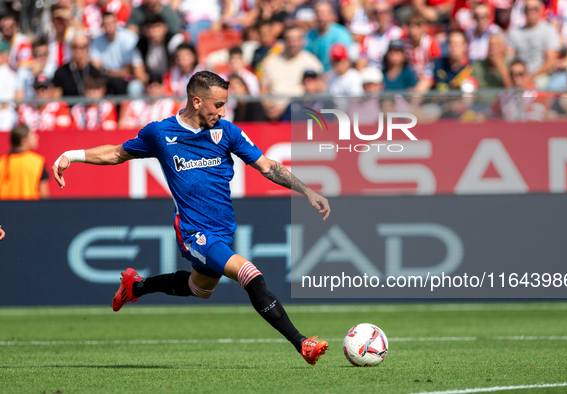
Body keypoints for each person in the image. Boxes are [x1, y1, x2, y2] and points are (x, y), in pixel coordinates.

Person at [52, 70, 331, 366]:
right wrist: (72, 154)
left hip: (223, 229)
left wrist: (306, 191)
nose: (222, 111)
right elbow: (116, 154)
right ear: (197, 101)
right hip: (194, 232)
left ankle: (135, 287)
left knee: (200, 290)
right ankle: (303, 343)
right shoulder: (160, 134)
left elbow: (267, 166)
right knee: (251, 275)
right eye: (218, 104)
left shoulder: (227, 132)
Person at [260, 26, 323, 120]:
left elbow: (319, 90)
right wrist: (269, 108)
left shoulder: (312, 63)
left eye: (296, 39)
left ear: (302, 41)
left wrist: (284, 108)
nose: (293, 43)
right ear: (284, 41)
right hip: (272, 114)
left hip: (300, 114)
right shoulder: (271, 61)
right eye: (289, 39)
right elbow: (263, 90)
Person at [507, 0, 561, 90]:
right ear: (524, 11)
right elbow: (510, 58)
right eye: (528, 9)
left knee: (542, 85)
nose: (531, 12)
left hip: (541, 75)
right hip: (519, 75)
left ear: (540, 10)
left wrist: (531, 77)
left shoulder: (549, 31)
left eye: (534, 9)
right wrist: (519, 75)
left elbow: (550, 62)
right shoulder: (515, 32)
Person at [90, 12, 147, 96]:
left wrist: (108, 72)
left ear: (116, 23)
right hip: (106, 79)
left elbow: (129, 69)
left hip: (127, 79)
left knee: (135, 87)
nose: (109, 27)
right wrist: (112, 73)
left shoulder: (129, 38)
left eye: (111, 23)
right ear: (102, 25)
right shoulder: (97, 41)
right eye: (106, 24)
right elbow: (96, 67)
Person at [0, 125, 50, 200]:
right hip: (30, 209)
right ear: (24, 141)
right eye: (32, 135)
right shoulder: (38, 162)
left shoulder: (2, 162)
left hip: (5, 209)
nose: (36, 137)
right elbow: (45, 197)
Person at [306, 0, 354, 71]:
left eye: (324, 13)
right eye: (318, 13)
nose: (321, 17)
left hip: (334, 74)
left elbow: (344, 62)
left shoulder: (341, 34)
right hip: (314, 75)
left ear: (331, 15)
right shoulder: (309, 35)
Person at [356, 2, 403, 70]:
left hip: (388, 73)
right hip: (370, 73)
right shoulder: (368, 36)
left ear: (391, 14)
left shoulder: (399, 34)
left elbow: (399, 64)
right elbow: (361, 61)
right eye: (376, 12)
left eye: (383, 12)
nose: (379, 16)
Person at [52, 33, 102, 97]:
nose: (78, 51)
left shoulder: (94, 72)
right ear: (70, 48)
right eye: (75, 47)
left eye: (81, 47)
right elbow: (56, 98)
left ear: (87, 49)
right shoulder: (61, 72)